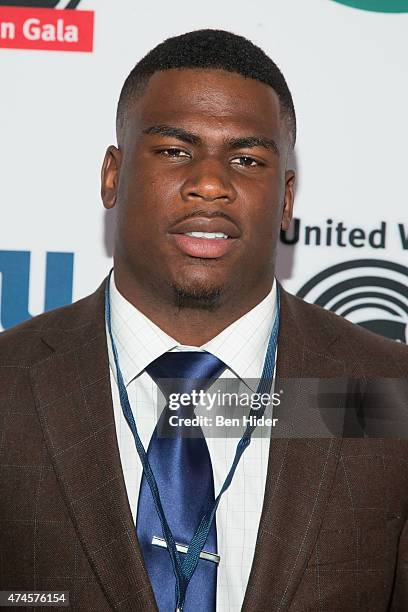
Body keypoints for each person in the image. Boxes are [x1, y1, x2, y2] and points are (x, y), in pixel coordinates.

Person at [1, 28, 408, 612]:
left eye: (246, 159)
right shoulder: (9, 383)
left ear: (288, 198)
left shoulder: (386, 395)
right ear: (112, 175)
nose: (211, 185)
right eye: (175, 151)